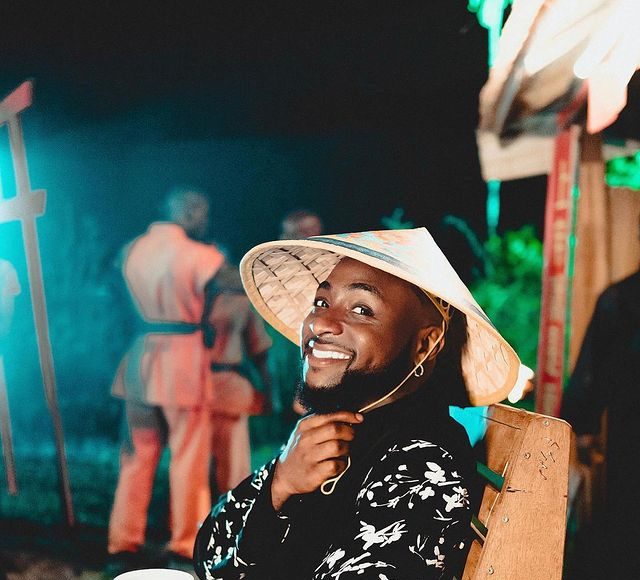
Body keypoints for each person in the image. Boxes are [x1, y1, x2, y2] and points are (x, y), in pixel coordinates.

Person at [194, 227, 521, 579]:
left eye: (362, 309)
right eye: (321, 303)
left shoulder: (423, 465)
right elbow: (209, 552)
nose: (320, 323)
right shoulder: (335, 426)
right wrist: (279, 486)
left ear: (424, 345)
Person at [106, 188, 270, 575]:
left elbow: (116, 286)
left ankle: (122, 544)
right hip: (181, 359)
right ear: (188, 211)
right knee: (188, 459)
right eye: (202, 212)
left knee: (136, 457)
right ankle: (185, 545)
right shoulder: (196, 254)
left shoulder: (132, 249)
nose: (205, 220)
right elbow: (236, 281)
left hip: (141, 353)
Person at [561, 214, 640, 577]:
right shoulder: (620, 300)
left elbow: (591, 376)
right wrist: (583, 425)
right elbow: (593, 373)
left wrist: (583, 425)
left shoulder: (621, 298)